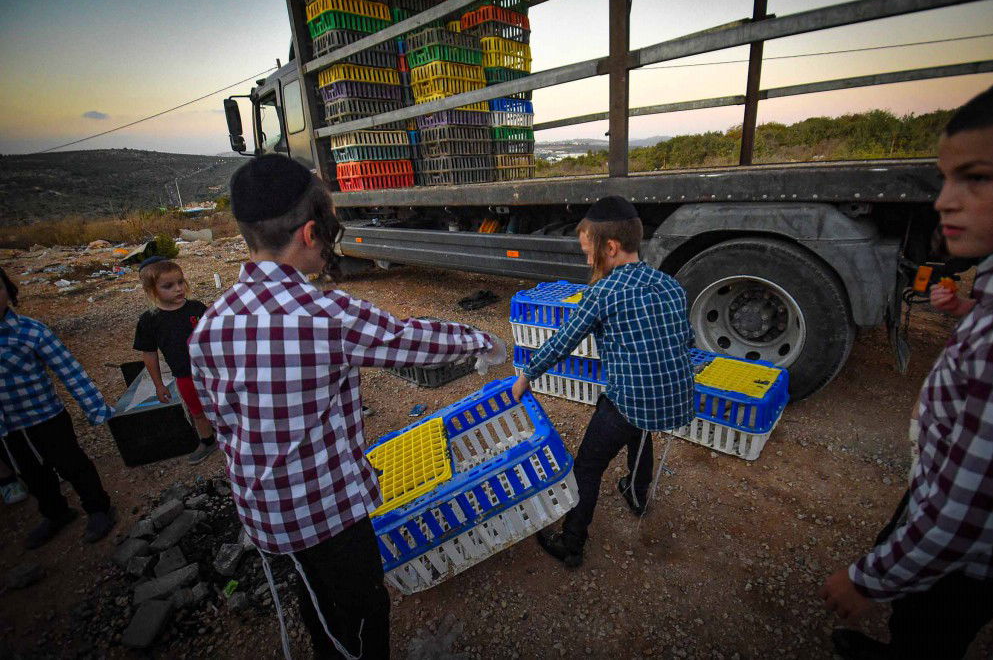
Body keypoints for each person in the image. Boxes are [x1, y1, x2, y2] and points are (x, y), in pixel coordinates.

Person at [188, 154, 505, 660]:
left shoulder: (211, 323)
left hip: (267, 510)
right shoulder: (325, 315)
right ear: (311, 233)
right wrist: (481, 339)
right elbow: (410, 340)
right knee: (358, 616)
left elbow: (219, 415)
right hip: (323, 513)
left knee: (321, 599)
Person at [821, 70, 993, 660]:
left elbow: (968, 515)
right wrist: (965, 307)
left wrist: (868, 580)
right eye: (946, 179)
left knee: (929, 631)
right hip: (938, 498)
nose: (943, 201)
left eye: (978, 178)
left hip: (972, 561)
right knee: (918, 626)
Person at [512, 195, 696, 568]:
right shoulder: (669, 284)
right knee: (640, 431)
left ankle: (572, 543)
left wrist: (527, 374)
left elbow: (564, 341)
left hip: (629, 400)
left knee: (588, 466)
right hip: (674, 398)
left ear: (610, 248)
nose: (587, 259)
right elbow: (687, 340)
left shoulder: (603, 292)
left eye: (587, 252)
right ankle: (637, 493)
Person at [0, 266, 117, 548]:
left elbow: (70, 372)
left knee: (71, 463)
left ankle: (98, 507)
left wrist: (96, 408)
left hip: (46, 416)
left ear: (9, 291)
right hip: (8, 427)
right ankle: (55, 513)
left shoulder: (30, 332)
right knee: (31, 473)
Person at [132, 257, 217, 465]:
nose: (178, 289)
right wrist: (159, 385)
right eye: (168, 286)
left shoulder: (196, 308)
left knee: (221, 404)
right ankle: (207, 441)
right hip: (184, 375)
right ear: (151, 290)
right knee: (197, 412)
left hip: (211, 371)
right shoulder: (149, 320)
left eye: (180, 282)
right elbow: (149, 353)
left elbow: (214, 336)